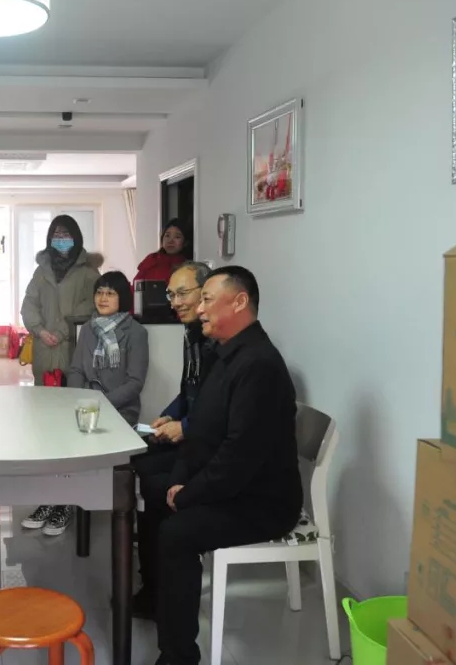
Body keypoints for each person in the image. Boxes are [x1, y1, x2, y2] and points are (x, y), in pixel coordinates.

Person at [143, 266, 303, 665]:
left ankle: (179, 656)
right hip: (233, 484)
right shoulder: (224, 355)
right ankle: (157, 601)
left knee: (177, 534)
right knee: (155, 490)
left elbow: (238, 456)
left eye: (207, 300)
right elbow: (202, 433)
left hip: (262, 501)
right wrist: (180, 480)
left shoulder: (259, 365)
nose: (199, 309)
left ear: (240, 301)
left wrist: (189, 493)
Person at [132, 260, 214, 616]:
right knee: (139, 460)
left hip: (207, 447)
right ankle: (150, 576)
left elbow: (219, 410)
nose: (176, 302)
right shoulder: (191, 334)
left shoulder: (219, 342)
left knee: (155, 485)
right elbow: (189, 391)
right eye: (170, 295)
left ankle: (160, 587)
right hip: (194, 436)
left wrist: (186, 427)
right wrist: (169, 415)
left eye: (183, 293)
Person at [20, 215, 102, 535]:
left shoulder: (89, 273)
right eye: (56, 233)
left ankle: (67, 502)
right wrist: (40, 331)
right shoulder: (41, 271)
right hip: (45, 355)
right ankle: (48, 498)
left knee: (71, 429)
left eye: (66, 233)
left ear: (76, 237)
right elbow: (29, 306)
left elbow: (93, 307)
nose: (61, 238)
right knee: (46, 431)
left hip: (74, 353)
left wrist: (64, 327)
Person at [66, 271, 149, 426]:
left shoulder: (136, 332)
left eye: (110, 293)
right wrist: (79, 399)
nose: (103, 298)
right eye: (99, 293)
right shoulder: (87, 329)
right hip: (85, 405)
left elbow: (135, 382)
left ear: (122, 297)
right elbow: (76, 370)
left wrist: (101, 402)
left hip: (121, 408)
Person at [133, 219, 192, 285]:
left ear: (185, 242)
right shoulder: (151, 259)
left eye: (177, 237)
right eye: (167, 236)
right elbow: (136, 285)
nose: (170, 241)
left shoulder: (189, 267)